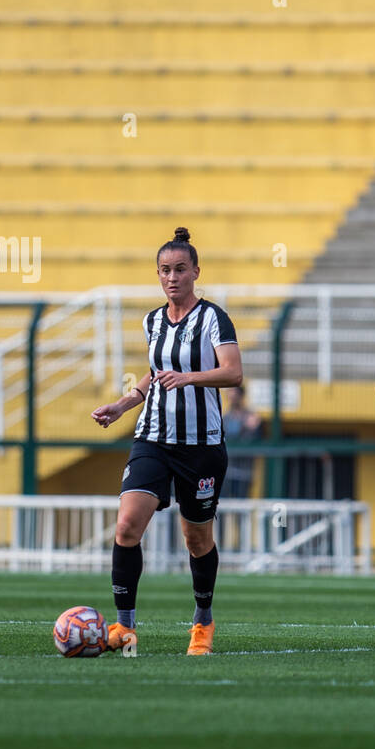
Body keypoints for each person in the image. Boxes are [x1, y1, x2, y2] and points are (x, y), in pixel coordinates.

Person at [89, 227, 243, 656]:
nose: (171, 277)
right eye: (164, 270)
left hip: (201, 447)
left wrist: (189, 377)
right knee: (126, 526)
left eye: (179, 269)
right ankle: (125, 626)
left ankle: (202, 623)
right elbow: (155, 374)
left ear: (195, 271)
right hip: (152, 438)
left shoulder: (213, 318)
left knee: (196, 540)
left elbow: (232, 372)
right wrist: (124, 403)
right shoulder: (153, 320)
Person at [221, 385, 263, 499]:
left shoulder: (250, 416)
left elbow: (254, 441)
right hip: (227, 470)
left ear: (241, 396)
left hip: (244, 471)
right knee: (222, 505)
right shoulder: (225, 417)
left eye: (235, 395)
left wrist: (253, 428)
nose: (232, 399)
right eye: (230, 396)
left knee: (242, 504)